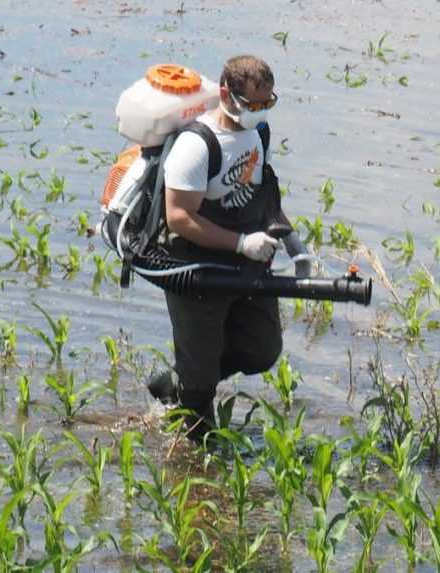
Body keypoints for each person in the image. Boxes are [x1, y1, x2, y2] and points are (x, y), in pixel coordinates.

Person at [146, 55, 309, 437]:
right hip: (196, 269)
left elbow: (262, 195)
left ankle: (175, 383)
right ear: (225, 93)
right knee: (200, 391)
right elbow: (179, 218)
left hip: (245, 263)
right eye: (253, 105)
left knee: (262, 350)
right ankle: (196, 459)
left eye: (268, 104)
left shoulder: (258, 134)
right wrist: (240, 243)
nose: (260, 112)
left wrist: (293, 243)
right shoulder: (197, 146)